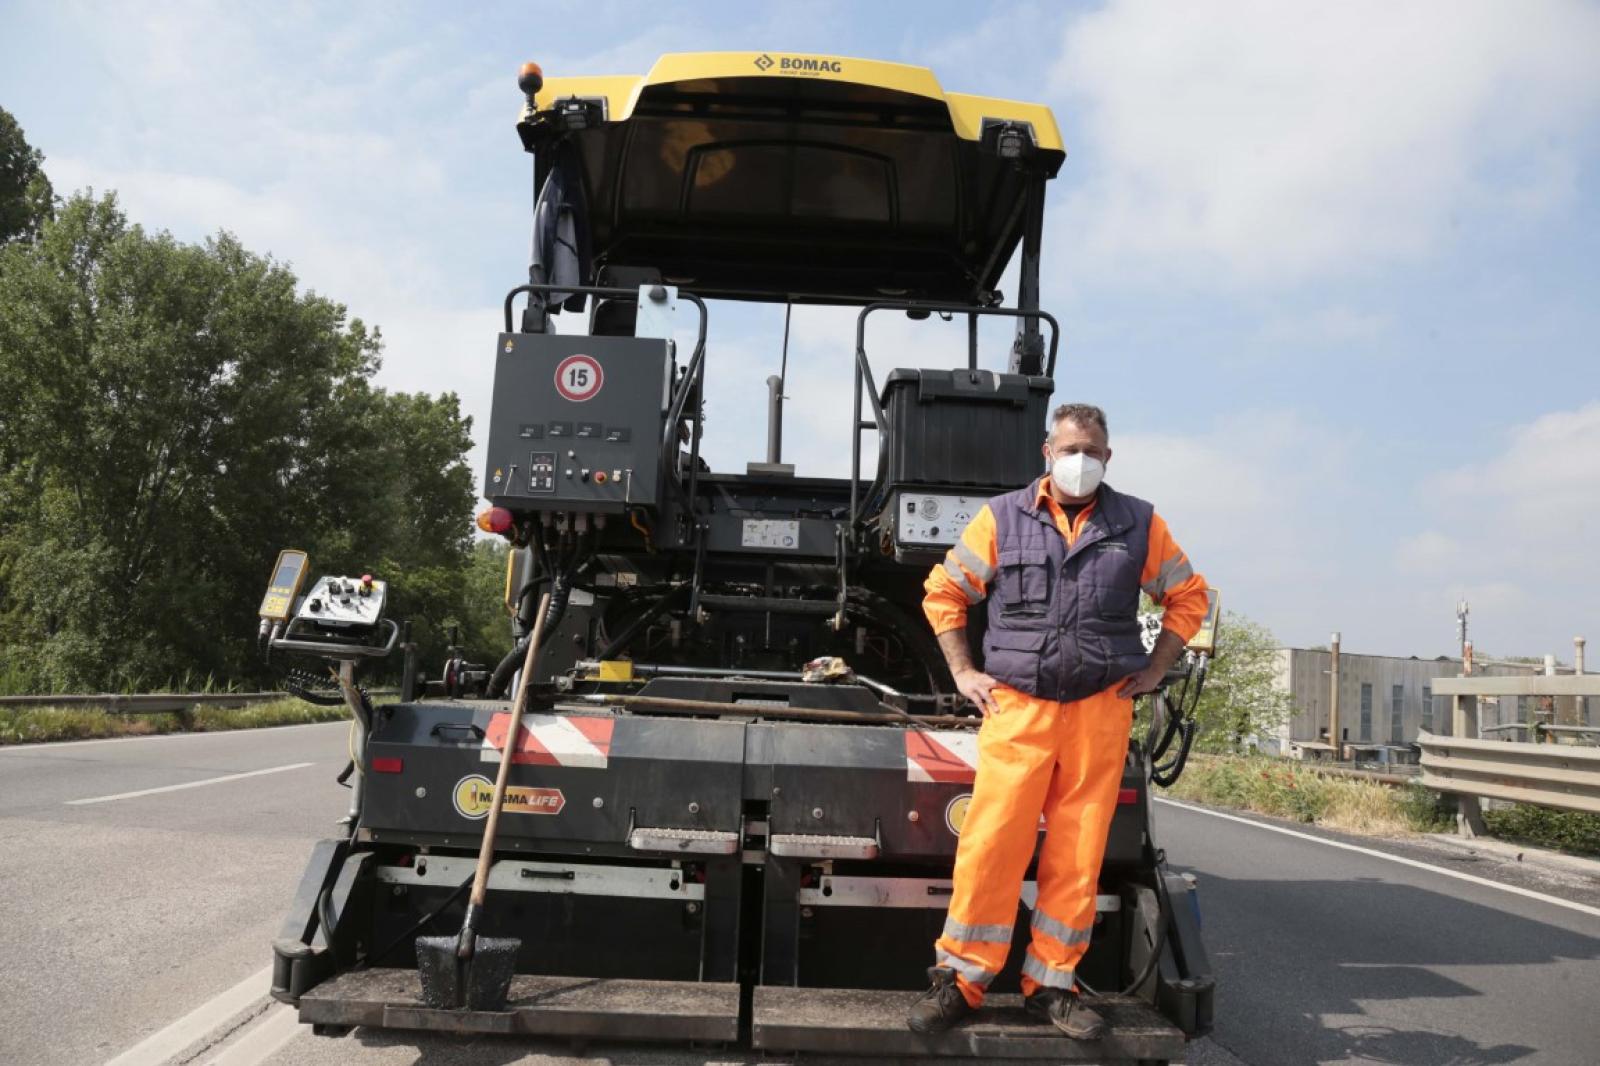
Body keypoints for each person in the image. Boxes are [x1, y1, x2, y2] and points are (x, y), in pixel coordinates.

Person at [907, 403, 1210, 1039]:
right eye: (1071, 448)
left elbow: (1189, 596)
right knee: (991, 846)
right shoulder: (1002, 518)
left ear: (1108, 457)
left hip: (1100, 712)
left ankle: (1052, 983)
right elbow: (945, 591)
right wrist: (964, 672)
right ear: (1048, 452)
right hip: (1018, 708)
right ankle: (960, 979)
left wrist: (1156, 668)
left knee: (1076, 856)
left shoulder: (1139, 524)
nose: (1081, 461)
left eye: (1093, 450)